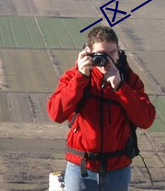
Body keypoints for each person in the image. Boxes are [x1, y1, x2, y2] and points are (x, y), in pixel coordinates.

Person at [47, 26, 156, 191]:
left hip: (117, 168)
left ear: (118, 51)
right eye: (101, 54)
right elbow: (56, 113)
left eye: (112, 53)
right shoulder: (74, 76)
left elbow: (146, 119)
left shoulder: (129, 80)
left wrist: (120, 87)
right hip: (81, 167)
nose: (107, 60)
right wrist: (81, 77)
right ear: (88, 51)